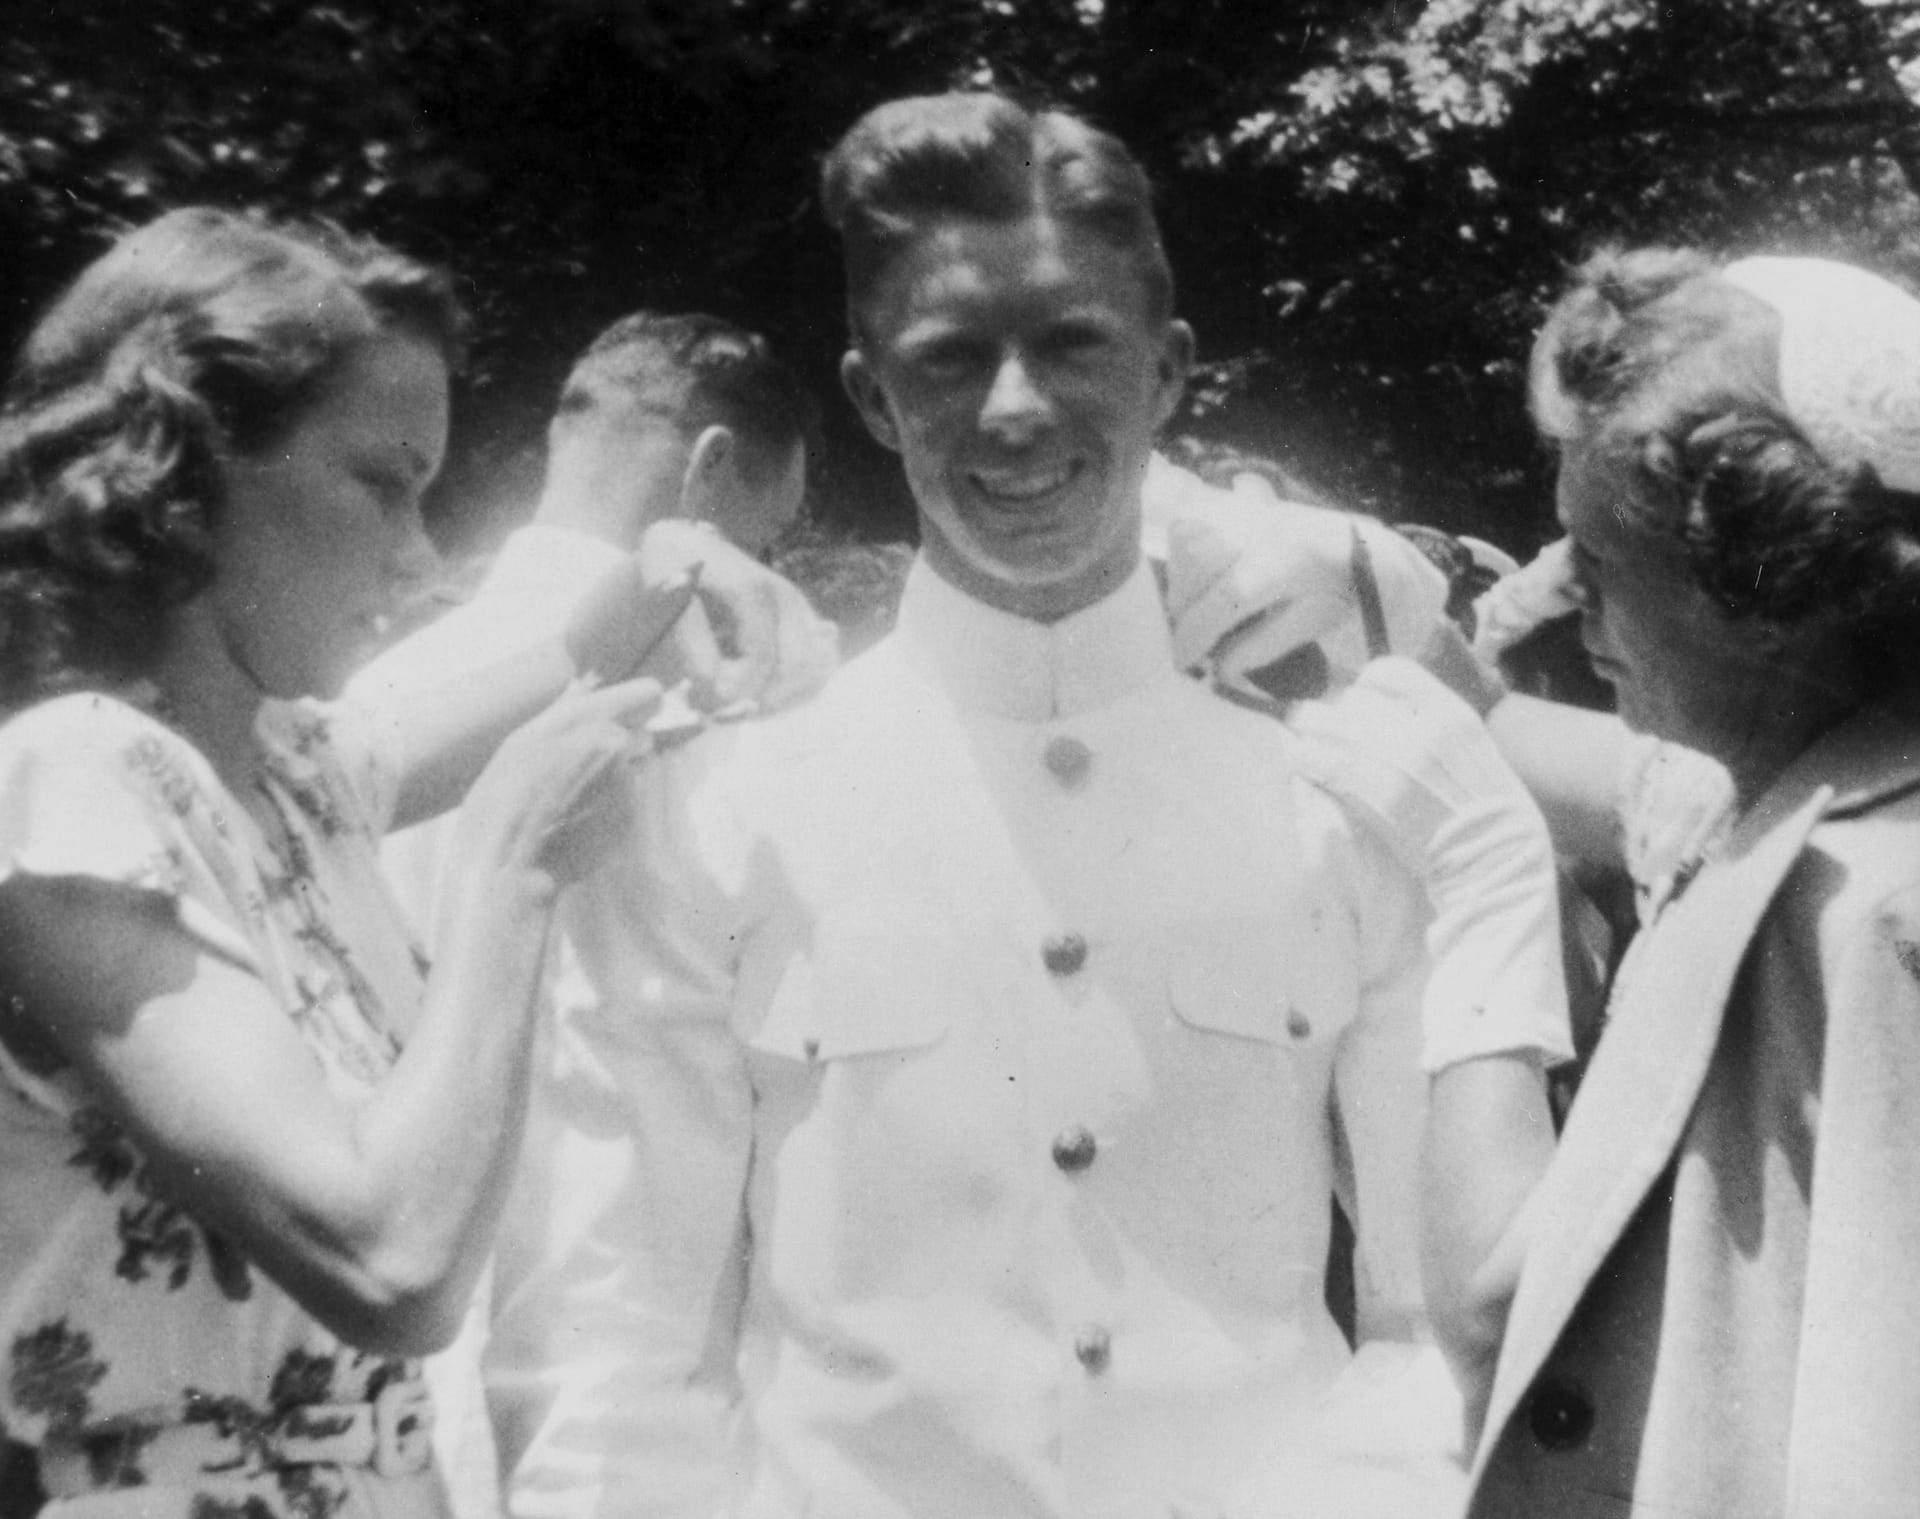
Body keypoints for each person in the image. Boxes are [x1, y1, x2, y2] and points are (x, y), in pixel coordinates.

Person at [505, 91, 1570, 1519]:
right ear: (874, 397)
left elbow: (1422, 1327)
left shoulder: (1348, 793)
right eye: (949, 361)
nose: (1014, 409)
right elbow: (620, 1342)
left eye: (1072, 341)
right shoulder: (723, 800)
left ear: (1170, 369)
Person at [0, 207, 704, 1518]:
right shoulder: (68, 775)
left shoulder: (294, 774)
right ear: (185, 471)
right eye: (384, 481)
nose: (423, 555)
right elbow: (391, 1261)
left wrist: (681, 559)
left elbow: (588, 658)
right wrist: (512, 872)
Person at [348, 308, 833, 1519]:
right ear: (712, 470)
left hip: (388, 1416)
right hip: (643, 1421)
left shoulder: (370, 701)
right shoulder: (753, 712)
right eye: (775, 532)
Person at [1460, 249, 1920, 1517]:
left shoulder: (1878, 917)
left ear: (1765, 592)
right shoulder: (1781, 802)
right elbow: (1494, 739)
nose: (1564, 598)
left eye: (1599, 558)